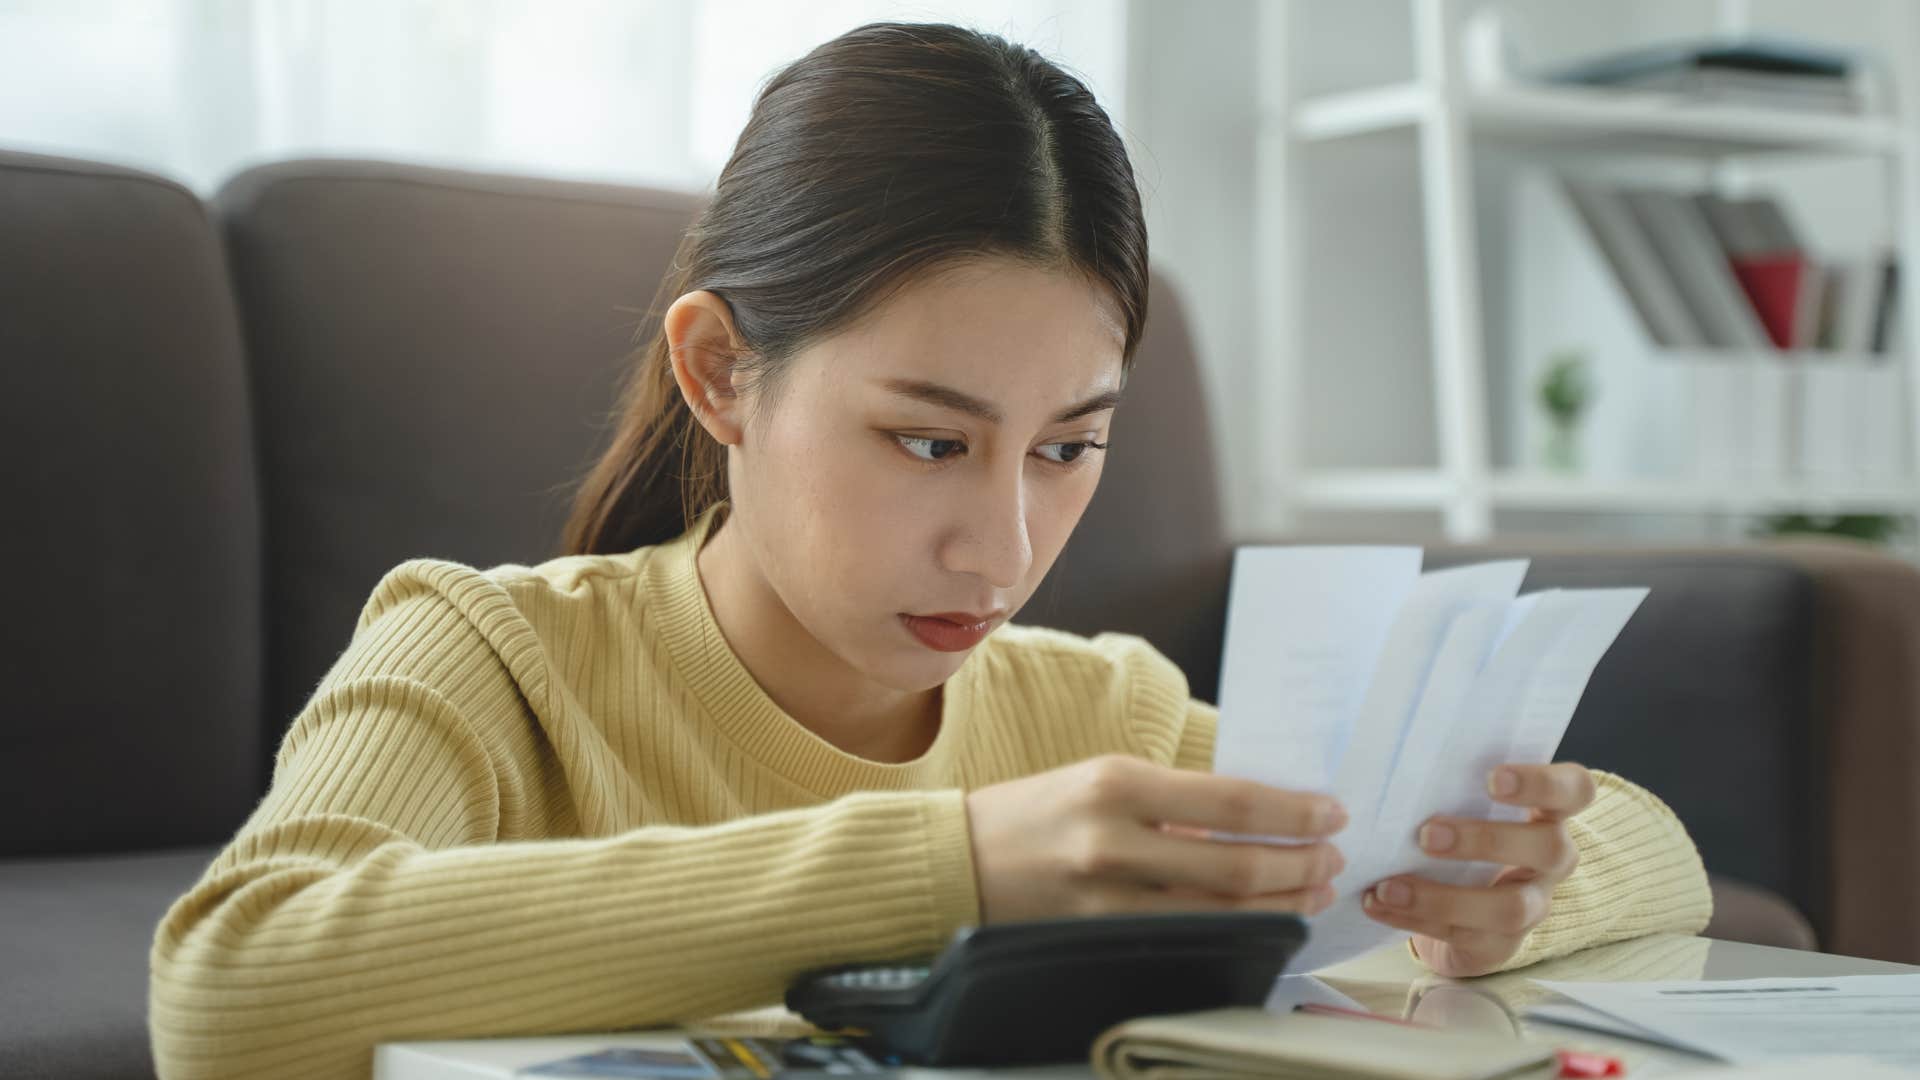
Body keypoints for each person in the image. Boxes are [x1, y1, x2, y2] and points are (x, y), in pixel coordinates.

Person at [148, 22, 1710, 1079]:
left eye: (1070, 446)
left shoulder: (1094, 715)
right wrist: (956, 868)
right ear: (721, 374)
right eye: (927, 439)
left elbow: (1668, 858)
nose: (1007, 542)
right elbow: (231, 990)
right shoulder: (491, 655)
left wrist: (1510, 885)